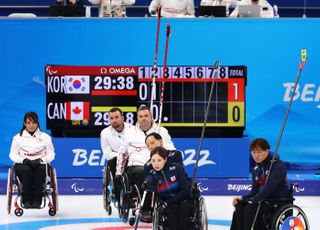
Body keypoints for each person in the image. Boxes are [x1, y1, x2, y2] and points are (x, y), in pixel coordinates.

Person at [116, 105, 175, 222]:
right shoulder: (129, 133)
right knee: (144, 171)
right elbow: (122, 154)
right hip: (136, 168)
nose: (143, 118)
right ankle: (146, 209)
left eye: (146, 116)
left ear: (151, 117)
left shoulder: (161, 131)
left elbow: (172, 150)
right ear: (137, 118)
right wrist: (119, 172)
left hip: (158, 166)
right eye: (141, 116)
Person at [230, 138, 290, 230]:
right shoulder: (256, 169)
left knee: (250, 208)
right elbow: (254, 191)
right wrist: (242, 198)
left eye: (259, 152)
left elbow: (269, 189)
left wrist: (251, 200)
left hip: (276, 200)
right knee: (239, 206)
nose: (256, 155)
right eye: (253, 152)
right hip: (261, 199)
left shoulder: (278, 165)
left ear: (267, 151)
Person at [9, 112, 55, 209]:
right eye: (28, 122)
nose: (31, 125)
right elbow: (12, 155)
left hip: (40, 163)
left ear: (37, 123)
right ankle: (26, 200)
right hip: (23, 164)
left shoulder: (45, 137)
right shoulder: (17, 138)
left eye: (34, 122)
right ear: (25, 124)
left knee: (40, 171)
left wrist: (41, 160)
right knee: (26, 170)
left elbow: (51, 154)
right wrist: (22, 160)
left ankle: (37, 201)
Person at [143, 146, 193, 230]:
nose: (156, 164)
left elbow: (185, 191)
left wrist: (168, 202)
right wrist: (146, 183)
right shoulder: (152, 173)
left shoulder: (176, 168)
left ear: (165, 160)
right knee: (171, 213)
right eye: (153, 161)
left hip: (183, 198)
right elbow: (150, 178)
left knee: (183, 211)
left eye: (159, 160)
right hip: (168, 202)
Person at [100, 107, 133, 202]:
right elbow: (107, 154)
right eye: (111, 118)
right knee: (113, 162)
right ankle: (118, 193)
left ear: (122, 118)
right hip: (115, 159)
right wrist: (120, 156)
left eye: (117, 117)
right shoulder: (105, 133)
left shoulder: (132, 129)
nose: (114, 120)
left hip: (131, 158)